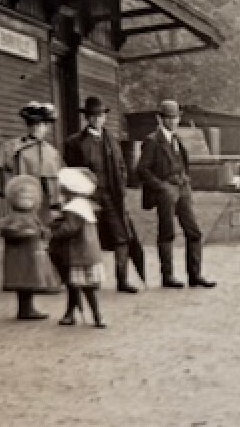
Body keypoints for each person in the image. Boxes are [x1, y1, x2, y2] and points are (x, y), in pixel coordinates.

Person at [136, 99, 215, 289]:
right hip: (166, 191)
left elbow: (184, 164)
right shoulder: (152, 140)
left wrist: (186, 182)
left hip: (182, 188)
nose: (172, 121)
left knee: (194, 232)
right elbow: (142, 170)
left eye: (175, 117)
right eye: (168, 117)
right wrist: (161, 187)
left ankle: (195, 275)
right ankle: (167, 276)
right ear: (159, 118)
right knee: (167, 233)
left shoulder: (177, 139)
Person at [63, 96, 137, 293]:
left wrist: (121, 187)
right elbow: (72, 172)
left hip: (112, 196)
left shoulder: (112, 140)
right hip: (88, 198)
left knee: (121, 236)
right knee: (87, 238)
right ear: (87, 118)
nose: (97, 119)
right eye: (93, 115)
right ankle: (88, 281)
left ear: (105, 117)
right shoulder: (75, 143)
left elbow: (122, 166)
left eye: (101, 115)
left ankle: (122, 280)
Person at [49, 168, 108, 328]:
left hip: (78, 254)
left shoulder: (73, 208)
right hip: (88, 252)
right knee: (75, 285)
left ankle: (97, 316)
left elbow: (70, 229)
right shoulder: (84, 205)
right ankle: (71, 314)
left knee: (83, 286)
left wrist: (53, 231)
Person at [0, 175, 63, 320]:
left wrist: (44, 232)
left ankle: (29, 308)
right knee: (24, 282)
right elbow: (7, 230)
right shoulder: (14, 217)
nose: (27, 201)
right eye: (23, 198)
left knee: (30, 283)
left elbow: (40, 229)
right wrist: (25, 233)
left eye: (30, 198)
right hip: (20, 257)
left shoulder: (32, 216)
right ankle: (25, 310)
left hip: (32, 255)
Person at [0, 102, 64, 225]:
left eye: (40, 124)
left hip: (44, 203)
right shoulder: (15, 148)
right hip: (22, 199)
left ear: (46, 126)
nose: (36, 128)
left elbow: (57, 181)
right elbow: (7, 176)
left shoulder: (51, 152)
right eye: (32, 124)